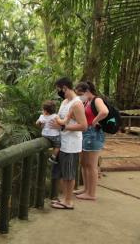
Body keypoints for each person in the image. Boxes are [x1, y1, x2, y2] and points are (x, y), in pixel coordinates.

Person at [49, 77, 87, 210]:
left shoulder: (77, 104)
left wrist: (64, 127)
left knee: (69, 174)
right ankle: (64, 198)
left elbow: (83, 126)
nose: (58, 92)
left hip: (71, 144)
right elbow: (62, 119)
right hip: (62, 142)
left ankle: (68, 201)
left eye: (59, 89)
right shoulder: (65, 102)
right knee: (63, 174)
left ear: (64, 87)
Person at [73, 81, 108, 200]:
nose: (79, 96)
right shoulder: (86, 101)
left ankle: (91, 193)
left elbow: (104, 111)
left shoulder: (96, 100)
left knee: (91, 165)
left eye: (80, 93)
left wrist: (94, 121)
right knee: (84, 163)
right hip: (85, 133)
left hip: (93, 134)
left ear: (87, 91)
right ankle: (86, 189)